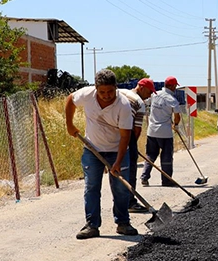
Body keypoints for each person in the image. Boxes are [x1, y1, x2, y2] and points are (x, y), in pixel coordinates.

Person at [65, 69, 138, 239]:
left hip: (116, 149)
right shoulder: (87, 94)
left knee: (120, 189)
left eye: (110, 91)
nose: (106, 95)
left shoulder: (123, 105)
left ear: (116, 87)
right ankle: (92, 225)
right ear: (96, 88)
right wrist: (69, 124)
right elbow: (70, 100)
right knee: (91, 187)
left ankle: (123, 223)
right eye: (102, 92)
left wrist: (118, 162)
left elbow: (125, 136)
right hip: (92, 149)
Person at [119, 78, 156, 213]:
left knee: (119, 170)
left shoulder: (121, 92)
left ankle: (122, 201)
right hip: (127, 135)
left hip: (111, 135)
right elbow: (137, 130)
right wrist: (131, 146)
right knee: (130, 169)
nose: (150, 95)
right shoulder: (139, 103)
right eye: (149, 92)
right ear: (141, 87)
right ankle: (130, 202)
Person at [140, 76, 182, 187]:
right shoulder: (172, 100)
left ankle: (144, 177)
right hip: (165, 133)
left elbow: (145, 101)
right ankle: (166, 180)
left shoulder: (155, 94)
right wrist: (176, 125)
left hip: (152, 131)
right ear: (172, 86)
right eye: (175, 86)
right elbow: (177, 116)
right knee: (166, 157)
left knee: (150, 155)